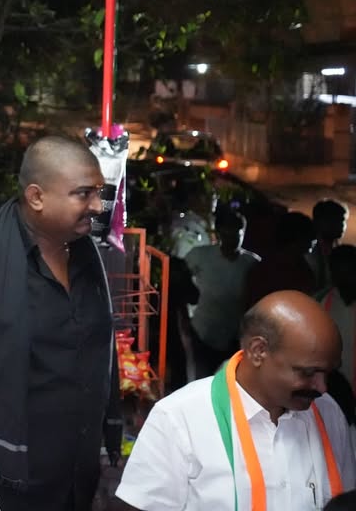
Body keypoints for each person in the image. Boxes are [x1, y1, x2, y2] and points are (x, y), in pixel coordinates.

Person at [0, 136, 122, 511]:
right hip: (3, 478)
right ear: (36, 197)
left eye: (99, 193)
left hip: (77, 473)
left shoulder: (87, 257)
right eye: (83, 194)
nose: (97, 206)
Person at [115, 291, 356, 511]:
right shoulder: (179, 418)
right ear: (258, 351)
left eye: (328, 373)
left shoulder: (328, 412)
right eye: (308, 372)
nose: (322, 387)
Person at [185, 211, 261, 379]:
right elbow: (181, 277)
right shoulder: (200, 256)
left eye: (237, 233)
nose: (232, 238)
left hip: (234, 336)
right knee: (200, 380)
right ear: (219, 233)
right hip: (202, 332)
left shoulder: (252, 263)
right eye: (227, 232)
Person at [245, 211, 317, 309]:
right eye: (309, 237)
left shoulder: (302, 266)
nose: (314, 241)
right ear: (297, 239)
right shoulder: (267, 271)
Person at [324, 245, 356, 389]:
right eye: (339, 273)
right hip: (333, 390)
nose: (345, 280)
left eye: (349, 273)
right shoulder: (320, 304)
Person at [310, 200, 349, 296]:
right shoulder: (308, 249)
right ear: (320, 221)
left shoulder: (336, 250)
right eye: (337, 220)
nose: (342, 225)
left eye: (343, 221)